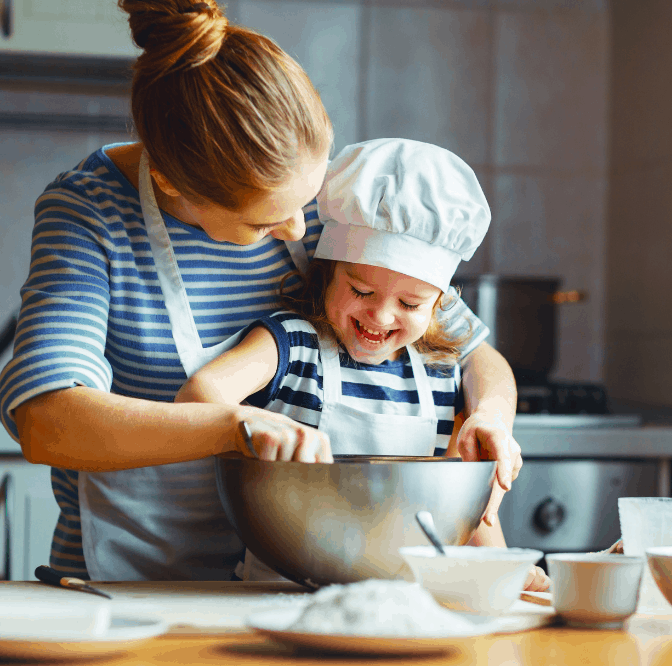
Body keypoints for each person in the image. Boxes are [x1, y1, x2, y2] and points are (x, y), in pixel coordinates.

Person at [0, 0, 522, 583]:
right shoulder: (92, 214)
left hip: (292, 588)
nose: (299, 228)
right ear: (172, 182)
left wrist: (492, 417)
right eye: (263, 221)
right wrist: (232, 426)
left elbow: (473, 353)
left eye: (307, 200)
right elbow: (47, 419)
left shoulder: (327, 203)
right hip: (135, 587)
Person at [176, 139, 549, 591]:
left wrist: (503, 572)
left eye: (410, 302)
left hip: (407, 604)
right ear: (328, 273)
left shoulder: (440, 370)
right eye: (361, 291)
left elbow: (469, 510)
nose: (381, 316)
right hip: (280, 592)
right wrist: (250, 428)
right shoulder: (293, 344)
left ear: (439, 306)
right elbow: (199, 395)